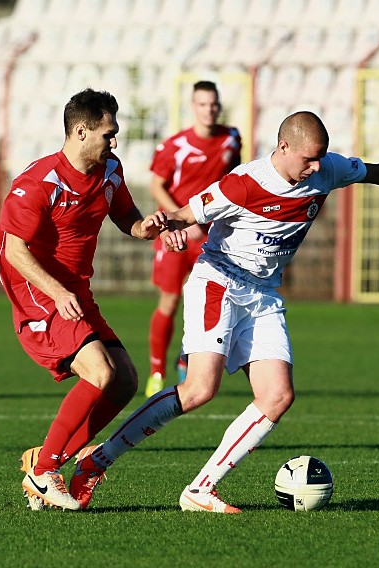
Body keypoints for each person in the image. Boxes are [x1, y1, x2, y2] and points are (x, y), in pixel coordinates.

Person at [70, 110, 379, 513]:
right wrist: (171, 229)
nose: (317, 166)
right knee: (198, 390)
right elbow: (184, 214)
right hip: (220, 284)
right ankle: (96, 462)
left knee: (277, 396)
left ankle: (201, 488)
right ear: (284, 147)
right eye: (309, 158)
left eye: (322, 157)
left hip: (264, 294)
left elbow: (376, 171)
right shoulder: (244, 183)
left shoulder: (326, 170)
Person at [0, 88, 163, 511]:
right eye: (108, 134)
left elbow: (125, 216)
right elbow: (13, 250)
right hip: (37, 290)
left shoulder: (110, 170)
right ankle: (45, 471)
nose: (114, 142)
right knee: (100, 372)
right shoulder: (39, 182)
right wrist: (55, 290)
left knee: (124, 380)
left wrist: (146, 228)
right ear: (81, 131)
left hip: (75, 290)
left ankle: (48, 458)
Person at [145, 80, 242, 398]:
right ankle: (156, 372)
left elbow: (234, 179)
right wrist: (180, 217)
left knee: (209, 299)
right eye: (203, 104)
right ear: (193, 107)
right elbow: (157, 186)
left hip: (209, 235)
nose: (209, 110)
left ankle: (188, 358)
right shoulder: (175, 146)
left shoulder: (230, 138)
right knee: (170, 301)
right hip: (175, 233)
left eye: (214, 104)